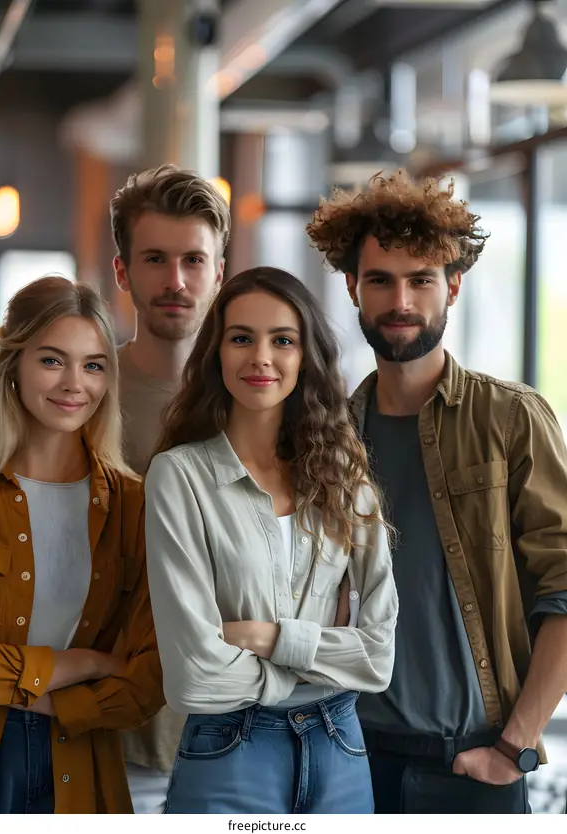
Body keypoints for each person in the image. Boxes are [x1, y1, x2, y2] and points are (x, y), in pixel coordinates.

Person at [306, 169, 567, 814]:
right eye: (380, 280)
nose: (402, 300)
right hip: (346, 760)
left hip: (472, 765)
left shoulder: (511, 419)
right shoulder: (327, 438)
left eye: (421, 279)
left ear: (452, 285)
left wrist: (516, 746)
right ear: (351, 288)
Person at [144, 266, 398, 814]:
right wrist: (319, 663)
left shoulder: (344, 475)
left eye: (282, 340)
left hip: (341, 749)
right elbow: (194, 678)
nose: (261, 357)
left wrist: (266, 636)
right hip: (230, 748)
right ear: (216, 353)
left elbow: (378, 658)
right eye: (242, 338)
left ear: (305, 356)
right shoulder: (179, 477)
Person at [0, 276, 163, 814]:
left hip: (83, 768)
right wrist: (88, 661)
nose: (75, 383)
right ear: (14, 363)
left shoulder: (135, 506)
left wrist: (19, 684)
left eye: (93, 365)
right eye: (52, 360)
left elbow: (146, 682)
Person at [109, 164, 231, 812]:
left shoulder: (257, 404)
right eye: (155, 259)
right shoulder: (74, 393)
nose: (176, 280)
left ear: (218, 270)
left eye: (193, 260)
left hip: (230, 738)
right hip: (97, 735)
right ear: (123, 272)